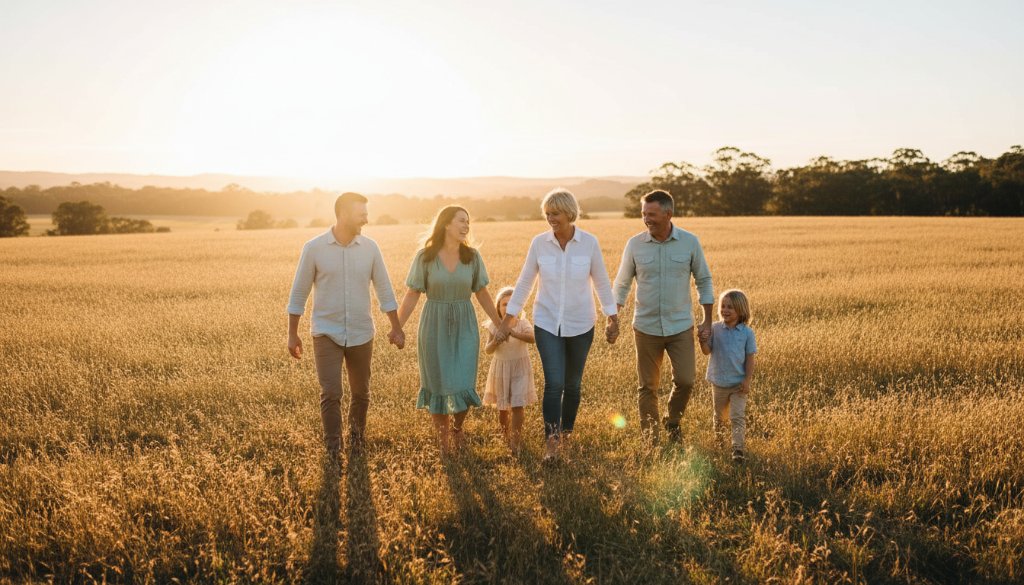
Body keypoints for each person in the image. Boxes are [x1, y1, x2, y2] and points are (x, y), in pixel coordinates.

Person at [499, 188, 619, 463]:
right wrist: (509, 319)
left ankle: (566, 435)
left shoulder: (589, 243)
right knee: (554, 384)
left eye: (555, 214)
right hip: (547, 322)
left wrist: (612, 316)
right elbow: (525, 282)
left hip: (581, 323)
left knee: (573, 385)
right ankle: (551, 445)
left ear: (569, 213)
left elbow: (601, 281)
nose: (551, 219)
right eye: (547, 214)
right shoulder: (539, 244)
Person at [287, 192, 405, 458]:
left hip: (362, 332)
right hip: (326, 332)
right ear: (342, 214)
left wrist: (396, 327)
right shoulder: (314, 248)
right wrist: (292, 334)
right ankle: (332, 449)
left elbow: (384, 290)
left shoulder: (371, 248)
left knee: (361, 393)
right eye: (361, 213)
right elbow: (299, 293)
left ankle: (357, 440)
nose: (366, 218)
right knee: (331, 392)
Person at [397, 206, 503, 457]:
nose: (466, 225)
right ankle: (443, 441)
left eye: (468, 221)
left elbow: (482, 293)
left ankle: (457, 428)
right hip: (433, 324)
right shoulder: (425, 257)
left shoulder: (472, 257)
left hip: (465, 324)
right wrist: (396, 326)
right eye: (461, 221)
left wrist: (500, 324)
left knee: (463, 381)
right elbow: (412, 294)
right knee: (437, 383)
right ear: (446, 224)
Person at [612, 189, 713, 444]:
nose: (646, 219)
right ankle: (651, 438)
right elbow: (622, 283)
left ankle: (673, 421)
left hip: (680, 326)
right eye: (643, 213)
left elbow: (703, 280)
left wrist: (707, 319)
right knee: (647, 386)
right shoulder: (635, 244)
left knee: (686, 380)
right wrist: (613, 318)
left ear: (669, 214)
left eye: (652, 214)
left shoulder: (690, 242)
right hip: (645, 327)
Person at [699, 289, 757, 462]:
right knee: (719, 417)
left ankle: (738, 450)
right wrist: (702, 340)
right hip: (719, 382)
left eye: (730, 307)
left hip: (738, 384)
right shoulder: (715, 329)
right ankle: (719, 443)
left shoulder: (747, 333)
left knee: (737, 416)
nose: (725, 310)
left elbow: (750, 359)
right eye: (723, 306)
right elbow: (706, 351)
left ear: (741, 310)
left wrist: (747, 380)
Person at [483, 286, 537, 456]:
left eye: (512, 304)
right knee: (503, 407)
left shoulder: (522, 324)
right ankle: (504, 433)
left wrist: (512, 332)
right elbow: (488, 350)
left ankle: (515, 440)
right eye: (504, 304)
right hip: (502, 369)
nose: (507, 307)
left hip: (520, 369)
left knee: (518, 405)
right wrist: (496, 341)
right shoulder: (493, 325)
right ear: (498, 307)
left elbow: (532, 338)